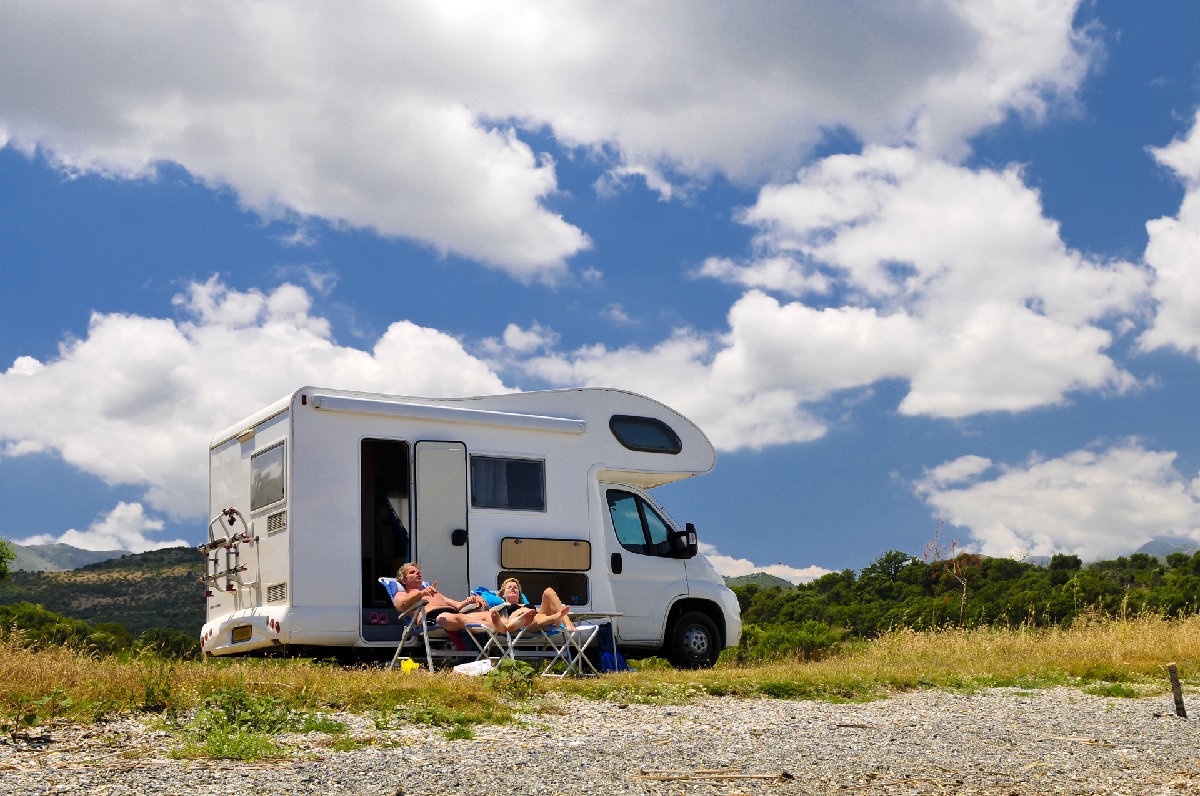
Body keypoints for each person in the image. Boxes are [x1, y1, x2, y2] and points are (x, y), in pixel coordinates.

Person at [391, 562, 500, 633]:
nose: (418, 573)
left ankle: (508, 626)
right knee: (460, 618)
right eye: (412, 572)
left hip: (452, 614)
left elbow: (457, 606)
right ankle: (496, 628)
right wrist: (421, 594)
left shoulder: (433, 591)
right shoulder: (402, 594)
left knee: (488, 614)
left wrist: (473, 599)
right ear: (404, 580)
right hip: (432, 618)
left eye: (418, 572)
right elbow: (401, 605)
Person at [488, 577, 576, 633]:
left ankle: (566, 622)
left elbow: (540, 612)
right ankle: (554, 618)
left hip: (537, 616)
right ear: (503, 594)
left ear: (519, 594)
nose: (513, 589)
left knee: (548, 591)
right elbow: (491, 614)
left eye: (515, 588)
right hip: (520, 621)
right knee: (530, 615)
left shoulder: (526, 604)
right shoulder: (503, 605)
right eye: (509, 587)